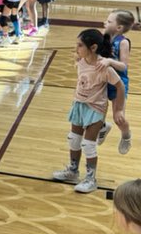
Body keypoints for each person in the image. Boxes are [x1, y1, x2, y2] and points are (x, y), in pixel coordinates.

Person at [52, 29, 127, 193]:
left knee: (88, 145)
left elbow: (120, 86)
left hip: (95, 108)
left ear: (93, 48)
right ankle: (72, 171)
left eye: (79, 45)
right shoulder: (81, 59)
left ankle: (91, 179)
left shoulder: (104, 67)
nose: (76, 48)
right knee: (74, 140)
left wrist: (118, 110)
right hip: (79, 105)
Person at [97, 10, 135, 155]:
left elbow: (123, 66)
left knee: (119, 117)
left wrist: (110, 61)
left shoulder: (123, 42)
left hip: (118, 83)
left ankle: (126, 136)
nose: (105, 23)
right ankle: (102, 128)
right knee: (96, 112)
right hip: (102, 80)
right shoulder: (103, 37)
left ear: (119, 28)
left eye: (109, 21)